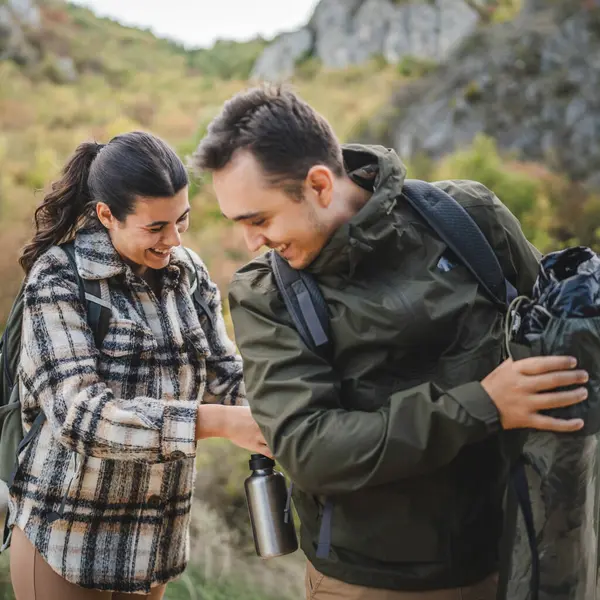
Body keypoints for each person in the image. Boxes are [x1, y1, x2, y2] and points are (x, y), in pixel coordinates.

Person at [192, 86, 589, 600]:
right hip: (369, 582)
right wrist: (484, 405)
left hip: (516, 556)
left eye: (259, 220)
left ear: (318, 185)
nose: (250, 243)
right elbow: (311, 450)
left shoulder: (468, 218)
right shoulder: (266, 295)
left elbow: (555, 337)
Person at [8, 131, 271, 600]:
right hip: (68, 539)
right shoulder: (59, 277)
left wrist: (287, 414)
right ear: (107, 214)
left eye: (182, 221)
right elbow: (80, 415)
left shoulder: (188, 273)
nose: (173, 239)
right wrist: (214, 422)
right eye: (155, 228)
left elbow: (225, 374)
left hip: (154, 545)